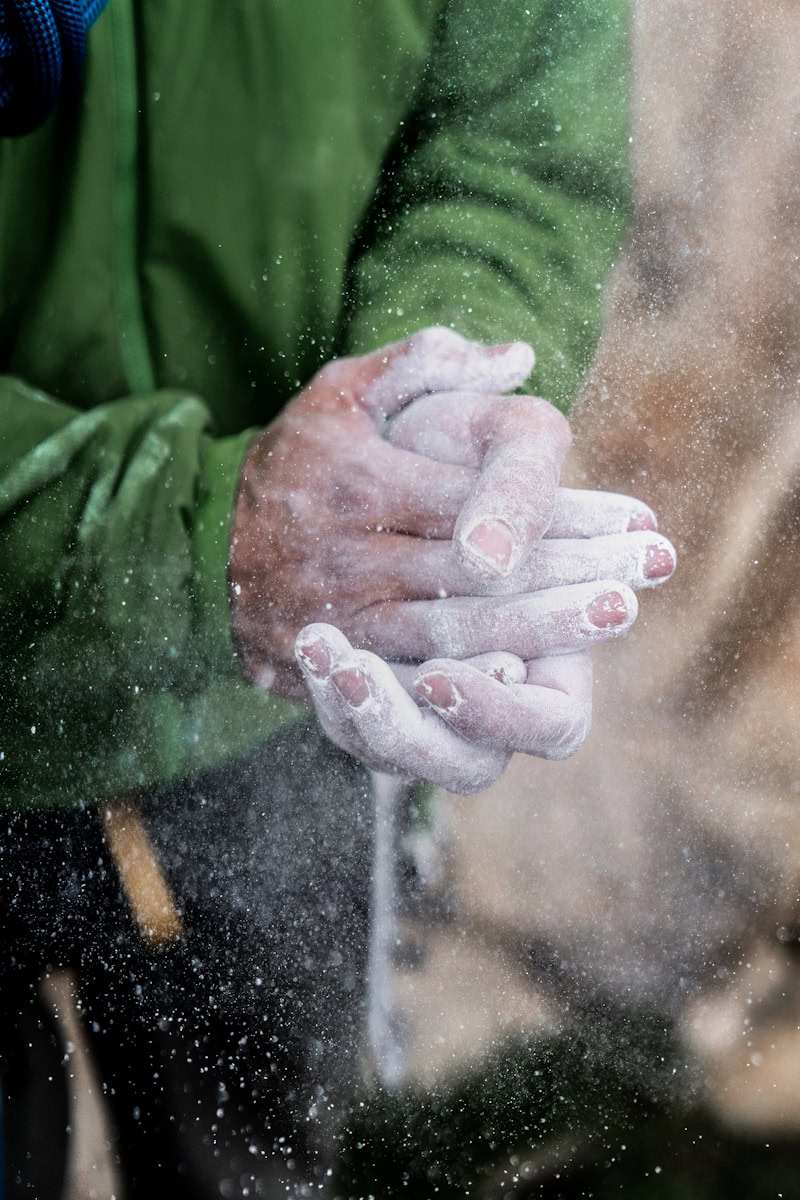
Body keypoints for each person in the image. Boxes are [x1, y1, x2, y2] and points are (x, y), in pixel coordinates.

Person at [0, 0, 675, 1194]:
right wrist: (201, 544)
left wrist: (430, 418)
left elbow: (509, 138)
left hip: (284, 710)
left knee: (264, 1163)